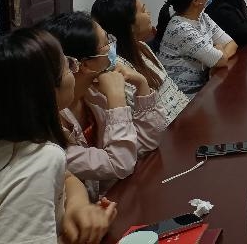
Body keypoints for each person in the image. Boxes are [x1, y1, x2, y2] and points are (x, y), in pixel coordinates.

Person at [0, 28, 117, 244]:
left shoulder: (15, 139)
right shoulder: (38, 160)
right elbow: (119, 162)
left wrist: (77, 205)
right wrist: (73, 237)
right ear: (47, 89)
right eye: (68, 65)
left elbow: (67, 177)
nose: (74, 70)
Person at [43, 12, 166, 201]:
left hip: (117, 197)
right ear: (80, 64)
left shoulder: (93, 92)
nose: (111, 48)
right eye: (106, 42)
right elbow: (121, 164)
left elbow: (146, 142)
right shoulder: (49, 130)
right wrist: (116, 99)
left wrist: (142, 84)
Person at [92, 0, 190, 127]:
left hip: (183, 118)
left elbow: (171, 90)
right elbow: (144, 122)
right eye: (143, 10)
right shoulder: (119, 69)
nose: (148, 13)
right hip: (165, 131)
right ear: (130, 26)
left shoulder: (142, 46)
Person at [156, 0, 238, 96]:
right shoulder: (181, 28)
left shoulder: (201, 17)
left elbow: (232, 44)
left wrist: (216, 61)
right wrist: (219, 54)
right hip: (185, 96)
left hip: (203, 86)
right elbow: (221, 60)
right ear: (196, 0)